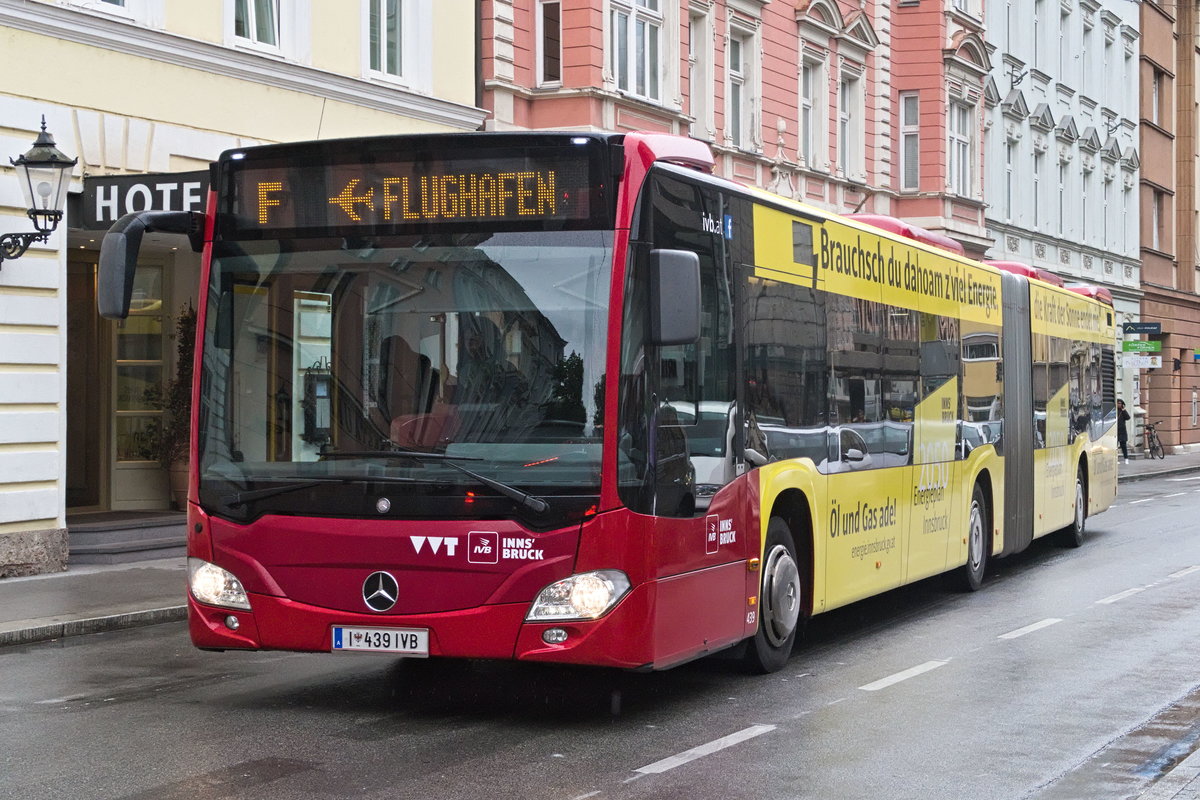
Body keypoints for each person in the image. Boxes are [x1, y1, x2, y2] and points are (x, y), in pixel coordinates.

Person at [1117, 399, 1130, 464]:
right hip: (1115, 430)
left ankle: (1126, 458)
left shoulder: (1123, 411)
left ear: (1122, 404)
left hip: (1122, 430)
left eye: (1120, 403)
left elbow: (1128, 418)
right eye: (1118, 403)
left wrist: (1124, 410)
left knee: (1123, 445)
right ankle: (1116, 459)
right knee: (1115, 446)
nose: (1119, 404)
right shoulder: (1114, 411)